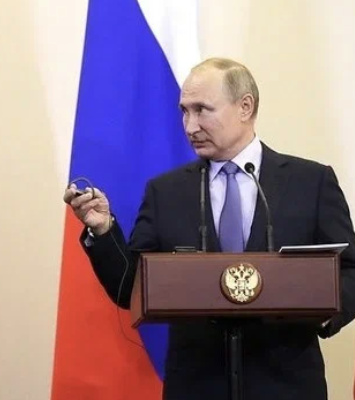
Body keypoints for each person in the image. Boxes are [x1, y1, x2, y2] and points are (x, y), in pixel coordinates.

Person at [64, 57, 355, 400]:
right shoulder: (166, 192)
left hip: (286, 386)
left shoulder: (311, 182)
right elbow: (131, 288)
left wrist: (322, 312)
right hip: (197, 387)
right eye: (184, 112)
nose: (190, 126)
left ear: (245, 107)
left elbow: (350, 270)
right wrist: (103, 230)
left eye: (202, 110)